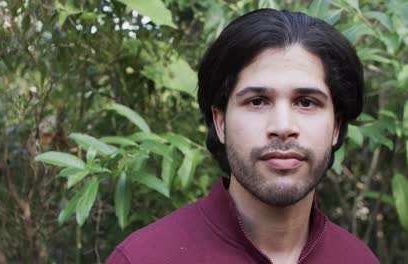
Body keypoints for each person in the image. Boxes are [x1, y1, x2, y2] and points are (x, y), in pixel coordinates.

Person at [107, 8, 379, 264]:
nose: (282, 126)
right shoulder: (143, 257)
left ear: (335, 126)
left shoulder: (358, 259)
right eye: (257, 101)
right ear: (221, 121)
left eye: (306, 102)